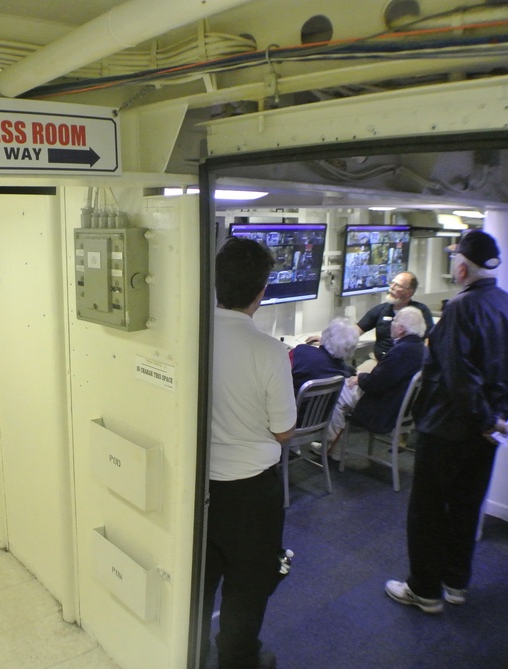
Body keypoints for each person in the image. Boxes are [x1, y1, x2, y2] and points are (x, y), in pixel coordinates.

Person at [384, 230, 508, 614]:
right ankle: (456, 582)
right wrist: (500, 417)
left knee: (428, 511)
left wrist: (487, 417)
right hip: (486, 437)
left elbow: (459, 376)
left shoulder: (458, 308)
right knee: (467, 507)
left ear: (461, 267)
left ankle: (424, 590)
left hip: (445, 431)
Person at [203, 236, 297, 669]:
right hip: (252, 496)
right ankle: (237, 660)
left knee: (200, 581)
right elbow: (283, 431)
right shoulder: (269, 351)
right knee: (247, 586)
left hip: (200, 488)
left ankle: (190, 652)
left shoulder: (195, 339)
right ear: (262, 291)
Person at [323, 307, 427, 459]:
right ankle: (333, 445)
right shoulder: (422, 350)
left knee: (338, 391)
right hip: (400, 409)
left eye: (395, 322)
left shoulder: (401, 351)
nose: (391, 324)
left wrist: (361, 377)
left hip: (383, 410)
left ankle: (332, 448)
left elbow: (375, 384)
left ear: (401, 329)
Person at [357, 271, 434, 360]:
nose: (392, 287)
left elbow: (430, 340)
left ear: (409, 292)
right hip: (382, 361)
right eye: (392, 283)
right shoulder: (381, 310)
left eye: (398, 285)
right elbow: (356, 330)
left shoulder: (420, 311)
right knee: (356, 373)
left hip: (409, 362)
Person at [289, 317, 358, 396]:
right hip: (319, 408)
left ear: (326, 335)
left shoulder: (301, 352)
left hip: (289, 405)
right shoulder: (344, 372)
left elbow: (278, 371)